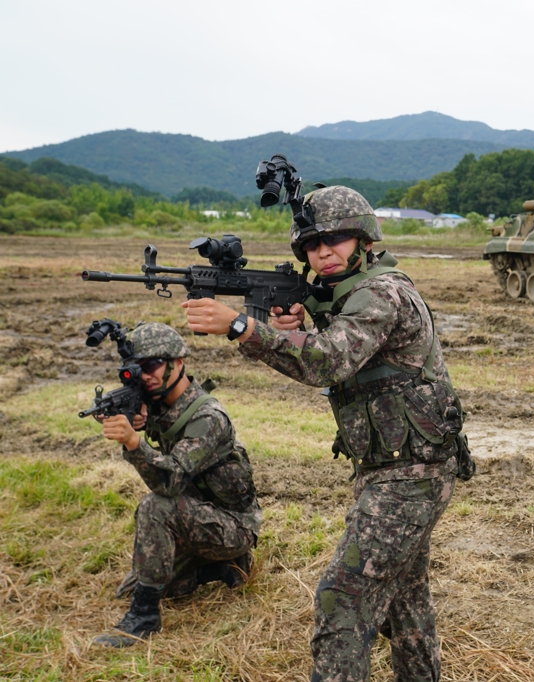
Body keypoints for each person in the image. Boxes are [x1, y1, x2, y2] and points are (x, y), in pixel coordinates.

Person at [182, 185, 470, 682]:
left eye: (335, 240)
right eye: (313, 246)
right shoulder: (351, 296)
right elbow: (332, 349)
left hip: (410, 476)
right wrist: (293, 326)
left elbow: (327, 361)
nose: (323, 252)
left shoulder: (380, 294)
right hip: (396, 469)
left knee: (342, 598)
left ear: (363, 240)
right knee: (404, 600)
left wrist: (240, 328)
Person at [94, 322, 261, 648]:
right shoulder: (158, 402)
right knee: (138, 584)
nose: (145, 375)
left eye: (152, 365)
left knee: (155, 507)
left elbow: (168, 482)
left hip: (234, 525)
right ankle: (216, 569)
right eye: (136, 368)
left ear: (178, 362)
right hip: (196, 513)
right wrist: (136, 418)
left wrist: (133, 442)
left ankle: (144, 619)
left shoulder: (207, 417)